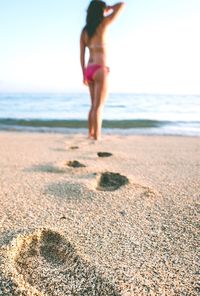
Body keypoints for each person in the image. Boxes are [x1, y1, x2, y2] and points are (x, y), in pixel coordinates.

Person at [80, 0, 125, 140]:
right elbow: (122, 5)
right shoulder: (103, 24)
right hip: (100, 69)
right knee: (99, 106)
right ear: (101, 11)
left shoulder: (85, 31)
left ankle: (90, 134)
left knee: (93, 105)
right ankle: (97, 137)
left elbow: (81, 55)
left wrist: (83, 75)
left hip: (89, 69)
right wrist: (109, 8)